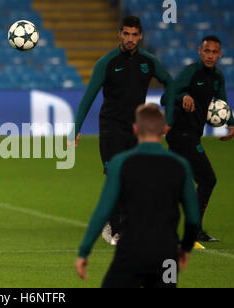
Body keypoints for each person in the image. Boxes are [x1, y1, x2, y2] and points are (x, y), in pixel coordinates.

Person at [71, 16, 175, 243]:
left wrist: (169, 107)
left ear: (141, 36)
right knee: (115, 173)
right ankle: (114, 227)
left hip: (137, 128)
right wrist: (76, 128)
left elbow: (170, 82)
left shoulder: (148, 61)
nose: (130, 39)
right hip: (111, 126)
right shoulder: (106, 62)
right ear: (119, 34)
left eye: (134, 34)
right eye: (126, 34)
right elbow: (88, 97)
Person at [75, 104, 200, 288]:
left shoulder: (121, 163)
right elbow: (193, 219)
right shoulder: (180, 165)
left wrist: (84, 251)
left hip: (130, 253)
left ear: (134, 129)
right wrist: (186, 248)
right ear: (165, 129)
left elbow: (103, 211)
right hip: (167, 255)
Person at [166, 35, 234, 242]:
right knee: (208, 179)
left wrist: (232, 123)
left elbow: (222, 101)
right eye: (207, 51)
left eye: (214, 52)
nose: (210, 56)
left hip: (191, 134)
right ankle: (193, 229)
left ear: (220, 54)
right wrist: (183, 96)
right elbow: (166, 96)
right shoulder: (190, 72)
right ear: (200, 51)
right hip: (182, 133)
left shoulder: (217, 77)